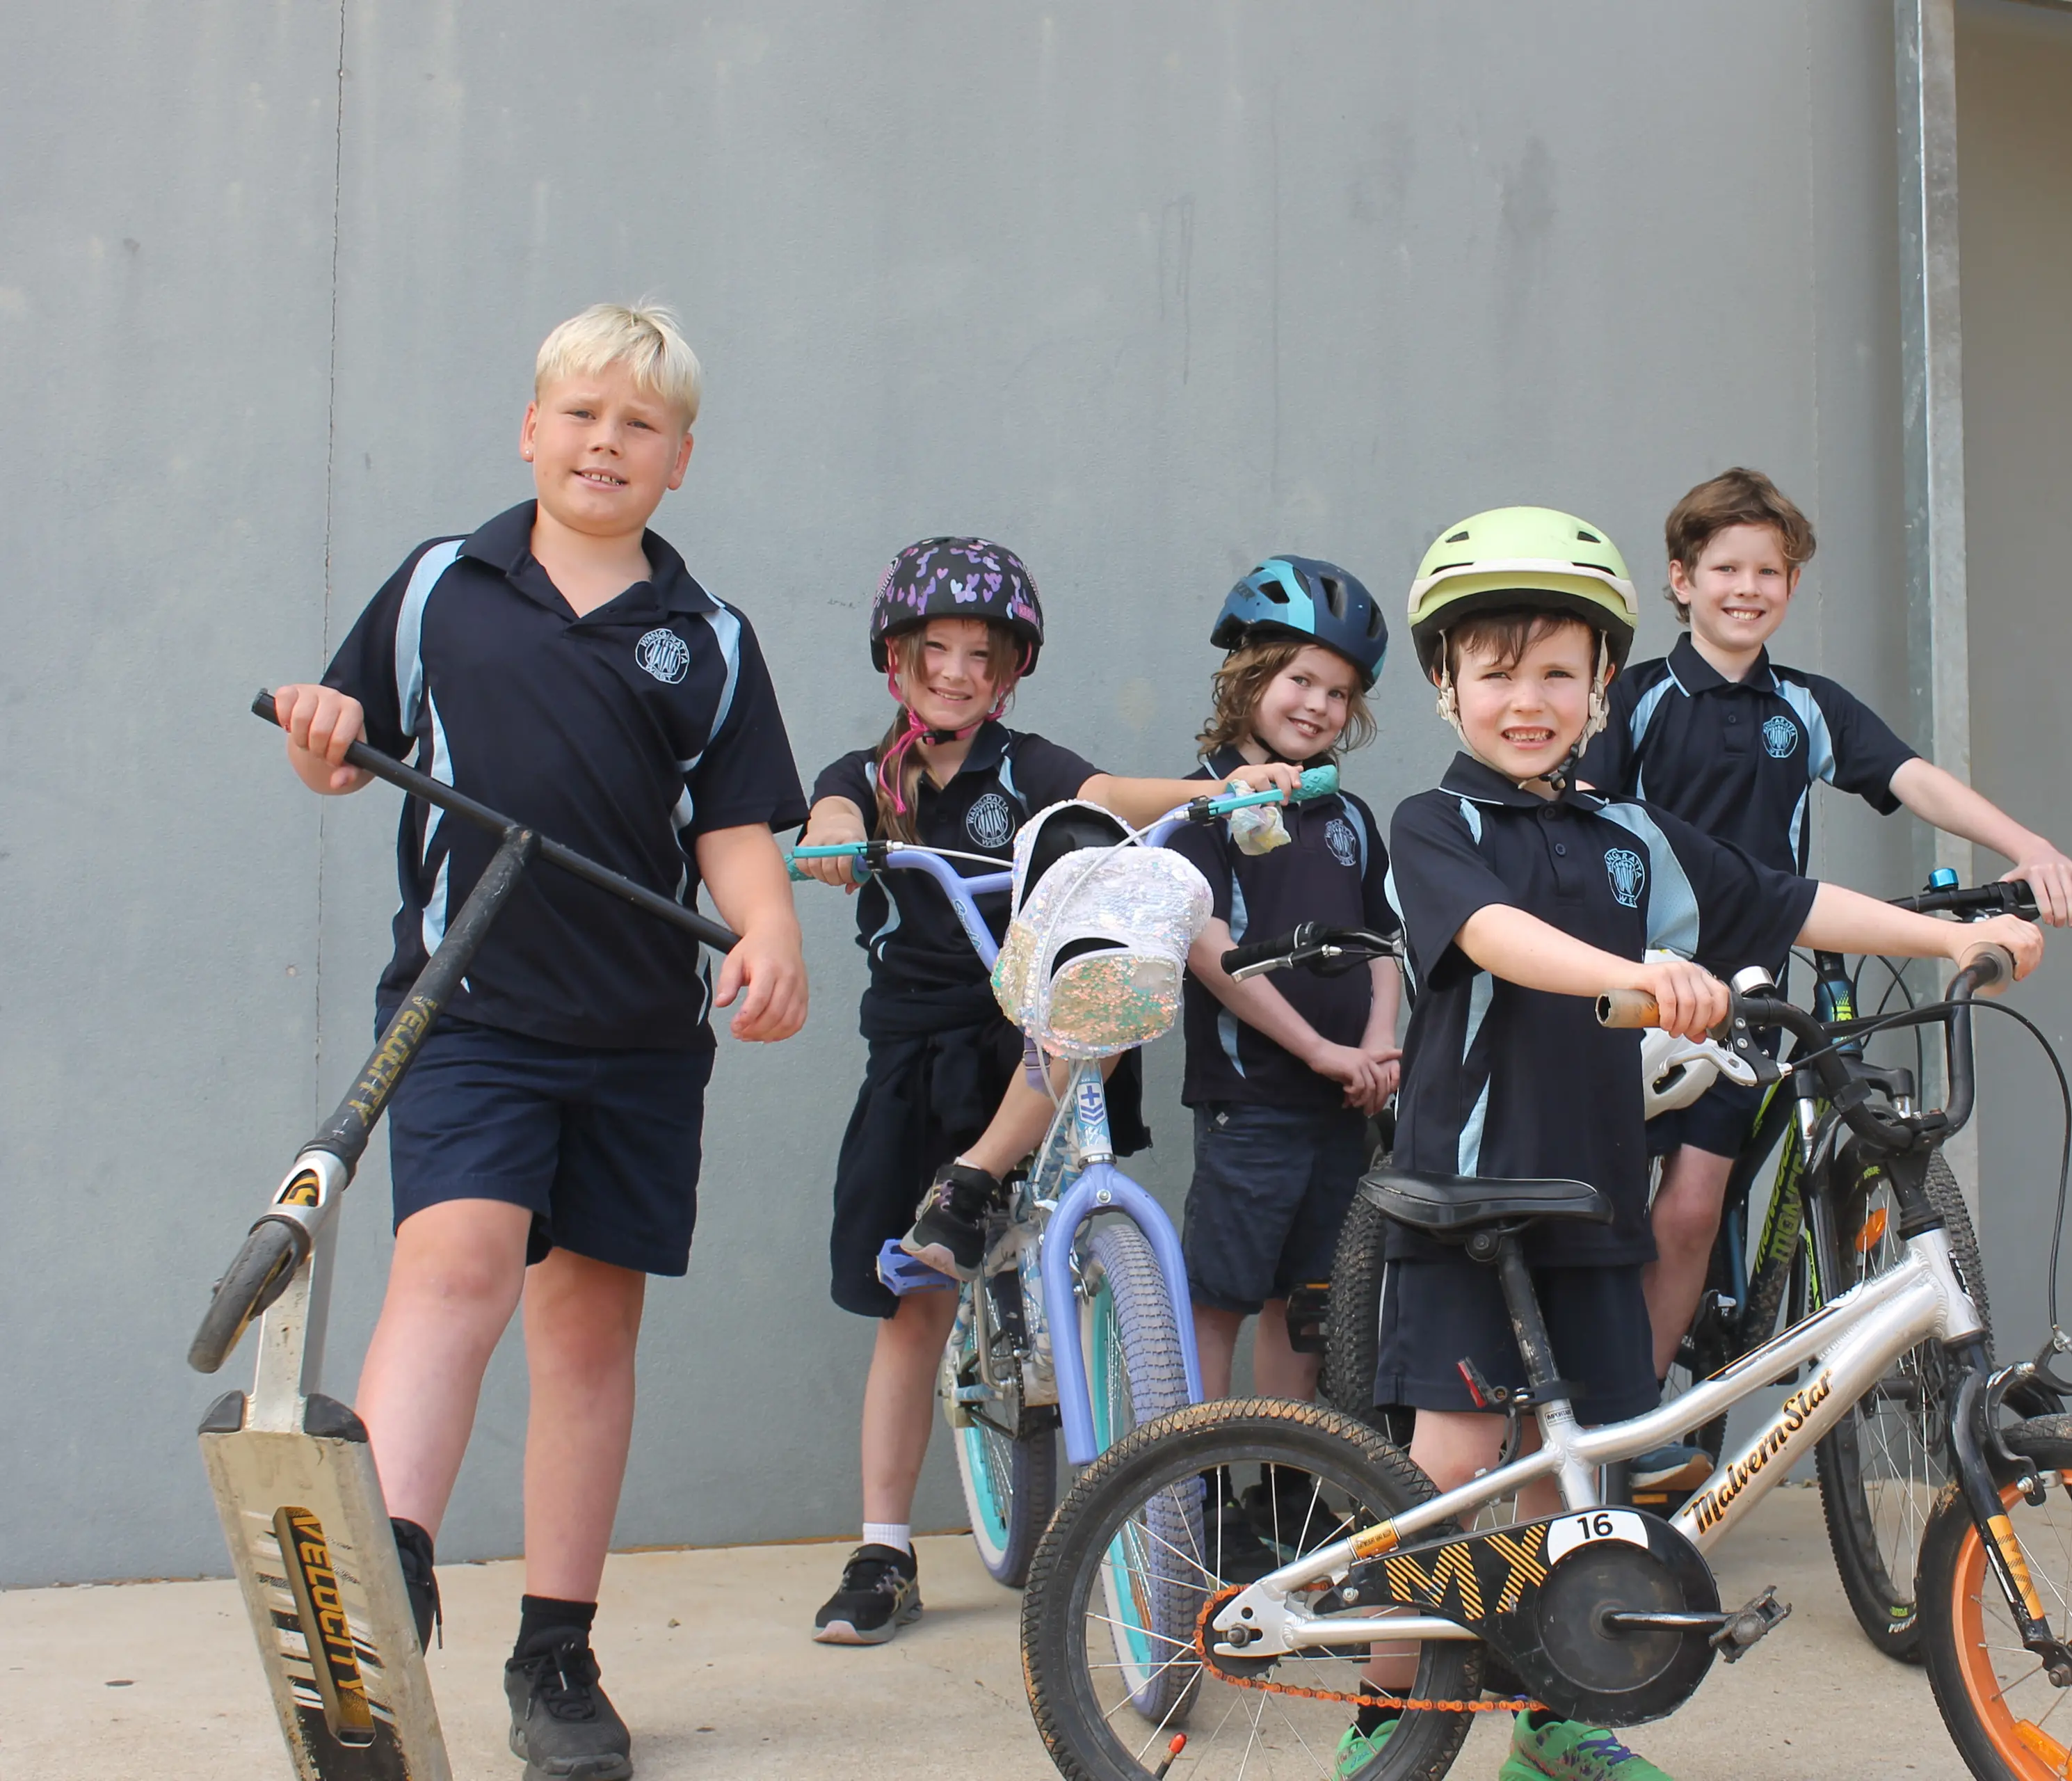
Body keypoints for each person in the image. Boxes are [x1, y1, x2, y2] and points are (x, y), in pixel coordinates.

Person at [1344, 506, 2040, 1781]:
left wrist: (1950, 940)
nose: (1529, 700)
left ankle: (1556, 1723)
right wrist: (1641, 972)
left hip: (1599, 1204)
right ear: (1446, 688)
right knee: (1448, 1474)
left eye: (1559, 671)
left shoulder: (1634, 836)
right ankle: (1392, 1718)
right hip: (1470, 1201)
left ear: (1605, 685)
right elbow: (1495, 938)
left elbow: (1781, 898)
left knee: (1585, 1481)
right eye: (1496, 673)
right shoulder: (1435, 830)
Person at [271, 303, 809, 1781]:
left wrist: (770, 931)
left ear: (679, 460)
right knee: (455, 1258)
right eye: (580, 414)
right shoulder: (444, 582)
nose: (604, 442)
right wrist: (321, 730)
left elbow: (734, 827)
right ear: (531, 428)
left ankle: (555, 1647)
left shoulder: (706, 635)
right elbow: (342, 744)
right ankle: (386, 1575)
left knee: (588, 1334)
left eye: (640, 426)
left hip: (639, 1033)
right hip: (468, 1008)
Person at [798, 536, 1302, 1646]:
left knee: (1097, 1001)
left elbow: (1108, 794)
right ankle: (883, 1548)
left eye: (983, 655)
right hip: (918, 1053)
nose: (959, 672)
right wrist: (834, 838)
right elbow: (829, 819)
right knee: (913, 1308)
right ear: (896, 661)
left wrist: (1218, 792)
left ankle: (981, 1185)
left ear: (1011, 669)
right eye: (936, 652)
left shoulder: (1025, 765)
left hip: (1020, 1028)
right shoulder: (866, 777)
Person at [1576, 466, 2072, 1461]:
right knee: (1596, 1217)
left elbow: (1913, 778)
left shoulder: (1804, 707)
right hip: (1634, 994)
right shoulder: (1632, 699)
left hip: (1751, 1006)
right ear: (1681, 579)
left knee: (1688, 1213)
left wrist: (2028, 848)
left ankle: (1631, 1433)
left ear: (1793, 586)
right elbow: (1582, 825)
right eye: (1726, 567)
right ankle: (1573, 1421)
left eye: (1771, 570)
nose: (1748, 587)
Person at [1164, 559, 1400, 1566]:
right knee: (1219, 1296)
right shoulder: (1205, 806)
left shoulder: (1349, 818)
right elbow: (1210, 953)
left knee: (1306, 1308)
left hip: (1345, 1104)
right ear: (1249, 675)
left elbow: (1385, 941)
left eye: (1339, 692)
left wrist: (1381, 1045)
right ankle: (1198, 1489)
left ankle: (1287, 1493)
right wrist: (1315, 1047)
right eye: (1300, 679)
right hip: (1255, 1102)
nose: (1318, 704)